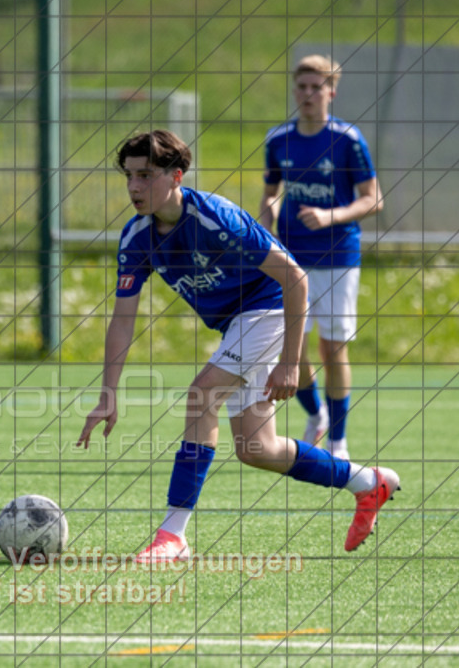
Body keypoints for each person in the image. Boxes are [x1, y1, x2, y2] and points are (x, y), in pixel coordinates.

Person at [77, 130, 399, 562]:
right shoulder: (136, 238)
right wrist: (108, 394)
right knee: (256, 449)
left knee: (201, 394)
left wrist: (290, 363)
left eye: (146, 176)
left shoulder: (216, 217)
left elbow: (295, 279)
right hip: (236, 325)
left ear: (176, 176)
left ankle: (173, 535)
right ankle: (368, 481)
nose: (134, 187)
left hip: (268, 308)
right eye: (130, 176)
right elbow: (122, 319)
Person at [259, 54, 384, 461]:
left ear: (331, 92)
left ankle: (338, 441)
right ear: (294, 90)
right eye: (302, 87)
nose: (309, 94)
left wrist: (331, 215)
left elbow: (373, 199)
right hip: (293, 259)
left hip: (338, 257)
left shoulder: (347, 140)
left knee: (333, 348)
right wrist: (268, 215)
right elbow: (272, 190)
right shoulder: (278, 139)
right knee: (293, 348)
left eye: (317, 87)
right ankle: (316, 414)